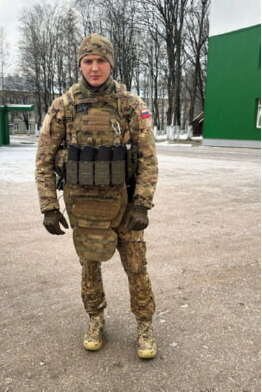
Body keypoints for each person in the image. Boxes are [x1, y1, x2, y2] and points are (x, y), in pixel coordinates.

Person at [35, 34, 159, 359]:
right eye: (88, 61)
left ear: (110, 64)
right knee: (89, 267)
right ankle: (95, 319)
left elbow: (148, 158)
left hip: (125, 204)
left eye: (100, 61)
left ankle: (144, 325)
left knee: (136, 267)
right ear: (80, 65)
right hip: (84, 206)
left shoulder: (130, 105)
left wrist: (142, 204)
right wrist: (49, 207)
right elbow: (44, 158)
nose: (94, 68)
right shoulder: (64, 105)